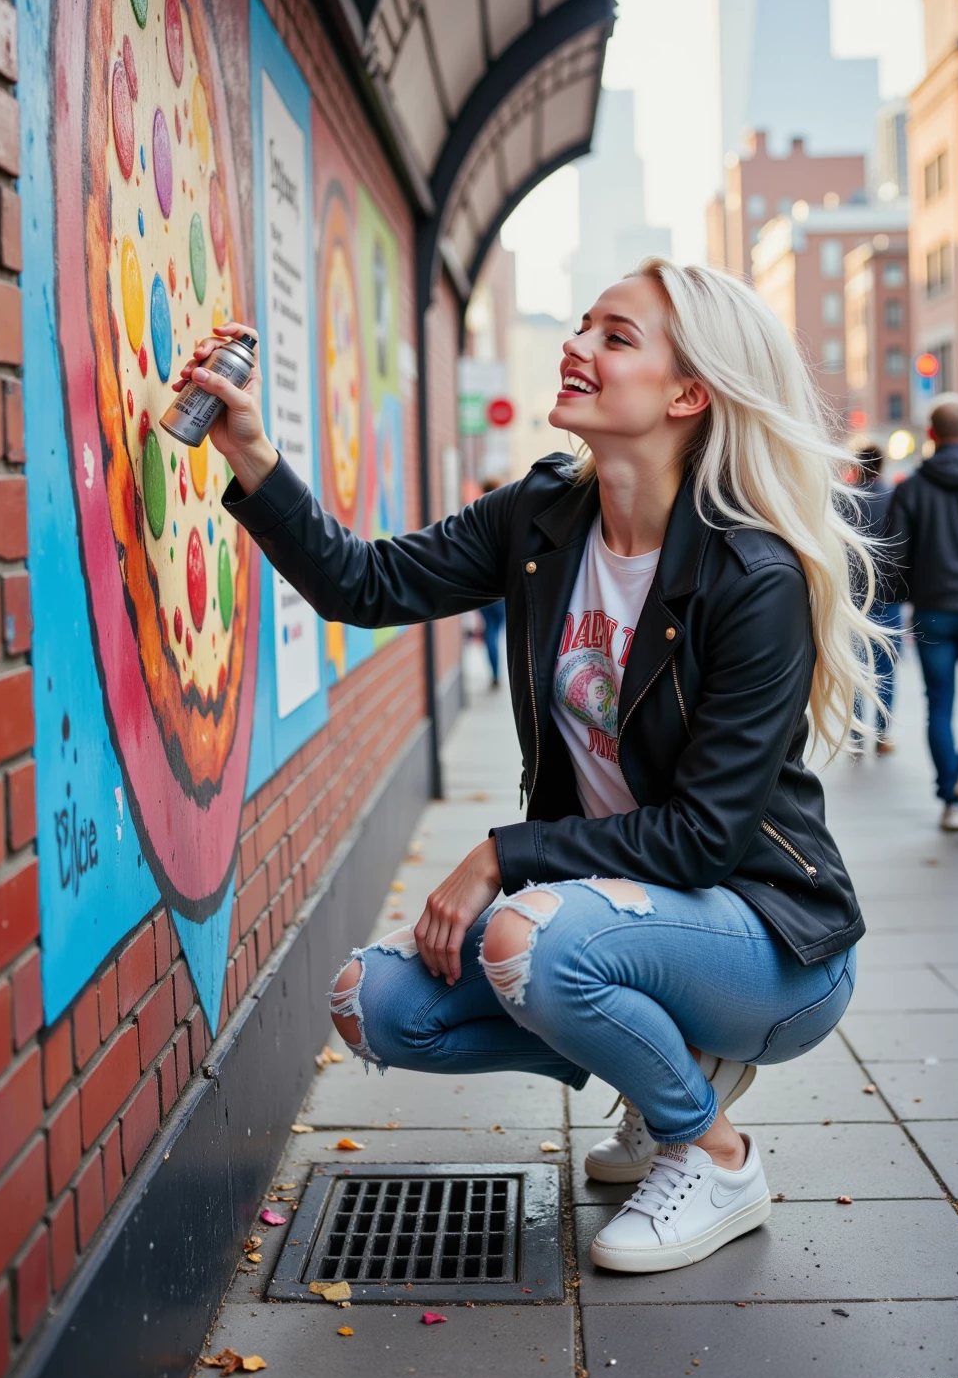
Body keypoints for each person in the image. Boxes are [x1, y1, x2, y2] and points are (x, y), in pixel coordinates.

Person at [176, 260, 878, 1275]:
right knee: (371, 1004)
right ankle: (672, 1076)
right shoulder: (545, 513)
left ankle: (710, 1151)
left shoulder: (750, 576)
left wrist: (507, 853)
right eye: (581, 322)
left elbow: (703, 837)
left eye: (615, 336)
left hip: (770, 943)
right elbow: (364, 583)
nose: (577, 345)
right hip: (617, 917)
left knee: (525, 940)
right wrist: (250, 451)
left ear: (688, 395)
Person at [884, 394, 958, 832]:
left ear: (932, 434)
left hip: (933, 610)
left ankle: (950, 796)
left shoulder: (911, 488)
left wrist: (900, 599)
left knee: (939, 703)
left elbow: (895, 555)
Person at [850, 444, 902, 756]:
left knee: (855, 667)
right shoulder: (894, 495)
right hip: (887, 593)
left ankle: (856, 734)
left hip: (854, 596)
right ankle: (882, 735)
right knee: (886, 667)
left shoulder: (845, 498)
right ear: (882, 465)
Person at [477, 479, 506, 689]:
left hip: (483, 587)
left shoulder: (478, 516)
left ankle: (495, 674)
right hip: (504, 589)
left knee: (491, 632)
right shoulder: (508, 516)